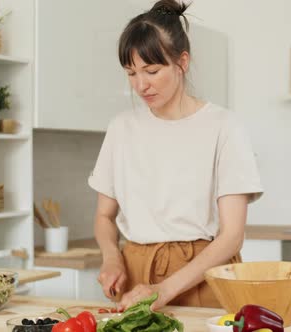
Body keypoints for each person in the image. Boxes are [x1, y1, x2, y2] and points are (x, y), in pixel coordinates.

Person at [88, 0, 263, 311]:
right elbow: (104, 216)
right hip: (135, 275)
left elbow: (232, 236)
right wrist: (112, 257)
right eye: (131, 73)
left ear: (182, 62)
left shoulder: (224, 127)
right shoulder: (121, 128)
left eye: (152, 70)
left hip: (202, 275)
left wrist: (164, 290)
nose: (141, 85)